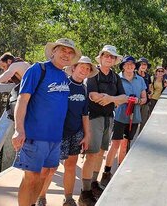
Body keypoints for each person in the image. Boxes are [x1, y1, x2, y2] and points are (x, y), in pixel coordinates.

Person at [11, 38, 81, 206]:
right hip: (35, 135)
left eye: (70, 52)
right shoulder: (38, 69)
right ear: (53, 51)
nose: (67, 54)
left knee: (45, 173)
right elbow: (22, 100)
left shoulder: (64, 77)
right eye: (63, 50)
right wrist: (19, 129)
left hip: (55, 138)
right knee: (31, 176)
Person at [37, 56, 99, 206]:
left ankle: (68, 198)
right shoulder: (63, 84)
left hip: (76, 132)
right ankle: (41, 196)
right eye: (82, 67)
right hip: (58, 132)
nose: (84, 70)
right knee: (50, 168)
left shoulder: (84, 88)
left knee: (71, 165)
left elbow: (85, 114)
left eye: (87, 68)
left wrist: (87, 134)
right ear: (74, 68)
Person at [79, 45, 128, 204]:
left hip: (109, 118)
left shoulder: (115, 77)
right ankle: (84, 193)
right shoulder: (93, 74)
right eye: (106, 55)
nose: (109, 58)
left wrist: (109, 98)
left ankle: (94, 184)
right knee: (92, 154)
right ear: (100, 57)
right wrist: (112, 99)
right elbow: (92, 95)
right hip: (93, 118)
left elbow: (124, 98)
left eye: (112, 57)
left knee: (101, 152)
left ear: (114, 60)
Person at [100, 56, 147, 187]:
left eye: (132, 64)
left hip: (135, 117)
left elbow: (144, 98)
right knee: (115, 144)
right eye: (127, 64)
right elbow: (113, 97)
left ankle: (121, 169)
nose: (130, 66)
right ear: (123, 66)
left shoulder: (140, 80)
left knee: (126, 144)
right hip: (119, 116)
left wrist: (137, 101)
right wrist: (125, 99)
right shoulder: (116, 78)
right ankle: (106, 172)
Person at [0, 52, 31, 120]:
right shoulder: (24, 63)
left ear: (9, 61)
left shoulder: (14, 65)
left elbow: (2, 79)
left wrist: (0, 77)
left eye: (4, 66)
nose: (4, 69)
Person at [136, 57, 152, 133]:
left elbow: (149, 88)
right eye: (141, 64)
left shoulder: (147, 76)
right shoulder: (133, 74)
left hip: (145, 102)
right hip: (135, 102)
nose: (143, 66)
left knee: (143, 121)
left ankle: (140, 138)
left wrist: (150, 93)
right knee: (134, 122)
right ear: (138, 65)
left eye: (145, 64)